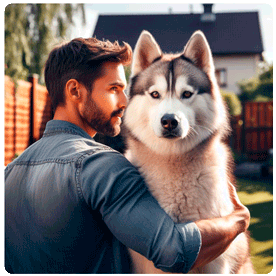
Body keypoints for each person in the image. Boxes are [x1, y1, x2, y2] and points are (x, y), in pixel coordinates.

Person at [4, 37, 250, 273]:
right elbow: (174, 251)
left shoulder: (10, 174)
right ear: (75, 91)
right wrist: (237, 220)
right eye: (114, 89)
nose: (125, 101)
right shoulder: (101, 167)